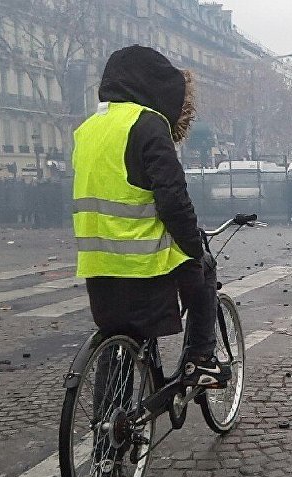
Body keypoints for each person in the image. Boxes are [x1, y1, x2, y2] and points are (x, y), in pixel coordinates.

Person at [72, 45, 226, 389]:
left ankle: (108, 422)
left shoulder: (88, 129)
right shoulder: (148, 124)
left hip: (98, 262)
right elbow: (173, 200)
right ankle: (201, 360)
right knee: (205, 266)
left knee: (117, 338)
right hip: (143, 261)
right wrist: (193, 243)